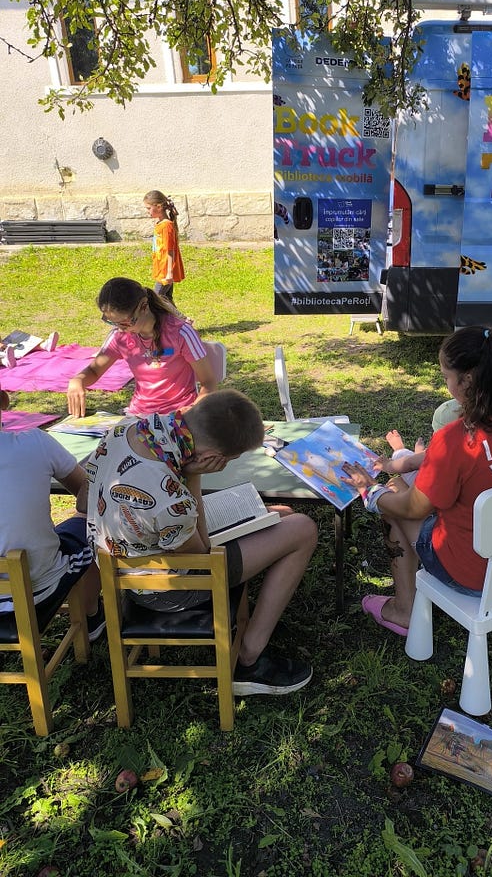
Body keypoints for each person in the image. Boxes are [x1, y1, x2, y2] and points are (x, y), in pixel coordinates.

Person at [85, 388, 316, 695]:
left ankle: (252, 640)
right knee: (303, 529)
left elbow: (80, 501)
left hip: (119, 559)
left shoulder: (125, 429)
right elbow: (203, 553)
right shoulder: (169, 497)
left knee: (280, 516)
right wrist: (193, 477)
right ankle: (249, 659)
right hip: (163, 590)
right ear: (211, 458)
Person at [341, 325, 492, 637]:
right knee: (407, 490)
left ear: (467, 380)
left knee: (393, 500)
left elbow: (412, 509)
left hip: (475, 575)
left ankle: (404, 609)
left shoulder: (458, 440)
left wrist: (368, 490)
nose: (446, 385)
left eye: (446, 376)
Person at [0, 387, 104, 638]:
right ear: (4, 400)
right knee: (93, 523)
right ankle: (91, 616)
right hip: (33, 593)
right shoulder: (35, 442)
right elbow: (86, 497)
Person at [67, 277, 217, 418]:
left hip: (178, 415)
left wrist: (191, 411)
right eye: (111, 322)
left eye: (125, 323)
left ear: (144, 307)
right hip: (138, 415)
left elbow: (209, 382)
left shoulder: (180, 333)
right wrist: (77, 381)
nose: (120, 329)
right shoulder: (119, 336)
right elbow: (94, 370)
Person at [373, 398, 462, 488]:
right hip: (463, 495)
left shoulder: (442, 452)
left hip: (432, 493)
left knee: (396, 480)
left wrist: (387, 465)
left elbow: (409, 464)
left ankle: (399, 450)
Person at [144, 190, 185, 302]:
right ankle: (180, 319)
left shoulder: (166, 226)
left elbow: (170, 250)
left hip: (165, 271)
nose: (147, 211)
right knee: (166, 299)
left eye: (148, 208)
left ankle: (183, 319)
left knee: (156, 299)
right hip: (161, 268)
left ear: (159, 206)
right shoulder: (160, 224)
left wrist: (169, 273)